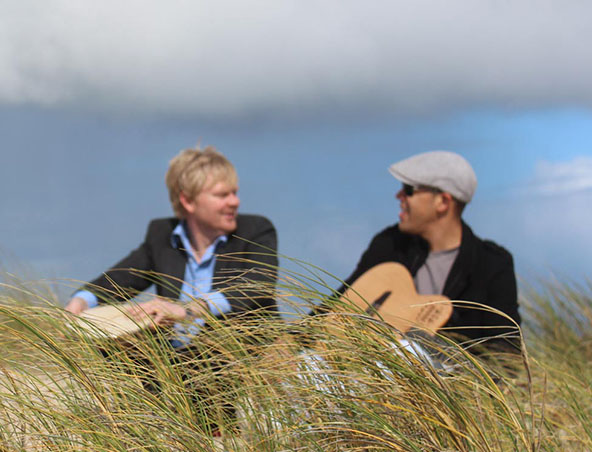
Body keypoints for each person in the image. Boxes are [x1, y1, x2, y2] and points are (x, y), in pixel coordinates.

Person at [66, 145, 278, 346]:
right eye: (222, 195)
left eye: (235, 192)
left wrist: (189, 310)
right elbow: (122, 278)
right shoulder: (161, 236)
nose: (234, 202)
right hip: (178, 365)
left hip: (241, 364)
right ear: (188, 201)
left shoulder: (256, 231)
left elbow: (257, 284)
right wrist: (82, 301)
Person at [336, 151, 520, 353]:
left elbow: (506, 350)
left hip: (447, 379)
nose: (399, 196)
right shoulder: (389, 244)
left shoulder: (492, 264)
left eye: (408, 190)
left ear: (443, 202)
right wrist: (297, 344)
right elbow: (342, 300)